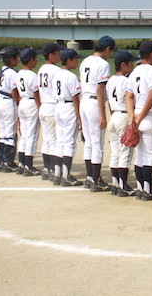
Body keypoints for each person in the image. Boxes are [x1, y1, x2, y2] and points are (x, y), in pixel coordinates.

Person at [125, 40, 152, 200]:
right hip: (149, 114)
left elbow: (128, 96)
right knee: (149, 154)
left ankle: (141, 188)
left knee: (140, 154)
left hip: (136, 112)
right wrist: (141, 116)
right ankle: (148, 190)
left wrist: (132, 117)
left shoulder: (134, 71)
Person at [79, 36, 115, 192]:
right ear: (107, 49)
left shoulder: (85, 61)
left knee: (89, 142)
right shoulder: (103, 64)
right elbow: (100, 89)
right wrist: (102, 114)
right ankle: (96, 179)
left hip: (84, 101)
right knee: (97, 144)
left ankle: (89, 177)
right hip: (94, 103)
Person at [51, 48, 83, 187]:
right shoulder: (71, 77)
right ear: (69, 60)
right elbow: (75, 98)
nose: (76, 62)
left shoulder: (57, 74)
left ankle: (57, 174)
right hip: (69, 107)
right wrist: (79, 117)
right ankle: (66, 175)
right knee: (69, 142)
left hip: (58, 106)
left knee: (60, 141)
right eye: (75, 59)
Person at [106, 51, 137, 196]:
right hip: (124, 116)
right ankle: (123, 186)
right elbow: (130, 99)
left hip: (113, 116)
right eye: (131, 63)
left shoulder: (111, 80)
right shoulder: (126, 81)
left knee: (116, 152)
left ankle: (115, 184)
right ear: (123, 65)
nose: (133, 66)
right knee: (125, 152)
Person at [38, 43, 62, 181]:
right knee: (54, 140)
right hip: (52, 106)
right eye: (57, 53)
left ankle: (46, 168)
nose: (59, 55)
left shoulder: (41, 68)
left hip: (43, 106)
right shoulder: (56, 70)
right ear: (51, 55)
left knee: (47, 140)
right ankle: (53, 169)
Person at [16, 48, 42, 177]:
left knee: (25, 135)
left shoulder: (19, 73)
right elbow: (36, 94)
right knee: (32, 135)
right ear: (31, 60)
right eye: (35, 59)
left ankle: (21, 163)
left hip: (22, 102)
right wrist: (40, 108)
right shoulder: (32, 75)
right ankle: (28, 165)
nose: (36, 61)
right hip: (31, 103)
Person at [0, 46, 21, 173]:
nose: (18, 59)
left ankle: (2, 159)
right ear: (11, 59)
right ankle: (8, 161)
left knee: (4, 133)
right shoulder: (13, 73)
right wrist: (19, 102)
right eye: (17, 57)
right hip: (8, 103)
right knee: (11, 133)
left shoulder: (0, 70)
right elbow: (14, 91)